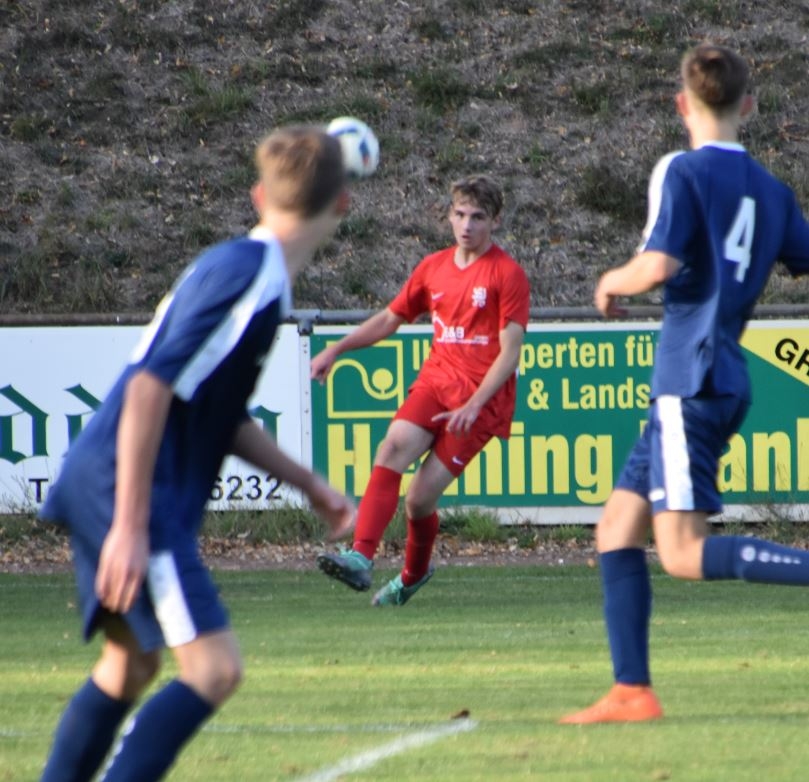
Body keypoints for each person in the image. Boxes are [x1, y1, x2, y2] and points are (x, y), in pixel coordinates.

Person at [37, 125, 356, 781]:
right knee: (214, 670)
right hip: (132, 490)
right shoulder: (248, 278)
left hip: (111, 478)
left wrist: (308, 484)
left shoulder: (245, 270)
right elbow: (149, 386)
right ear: (342, 204)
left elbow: (215, 410)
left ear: (258, 194)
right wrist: (130, 527)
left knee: (130, 665)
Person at [560, 43, 809, 725]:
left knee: (681, 553)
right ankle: (631, 691)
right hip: (718, 376)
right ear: (748, 105)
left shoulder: (683, 170)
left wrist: (611, 281)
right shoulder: (773, 191)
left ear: (680, 104)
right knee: (616, 528)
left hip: (689, 379)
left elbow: (658, 265)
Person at [313, 174, 530, 606]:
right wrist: (337, 348)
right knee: (392, 447)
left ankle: (412, 575)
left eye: (478, 217)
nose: (467, 225)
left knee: (418, 501)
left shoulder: (507, 274)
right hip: (436, 382)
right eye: (460, 214)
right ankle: (360, 555)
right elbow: (389, 319)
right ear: (449, 215)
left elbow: (510, 353)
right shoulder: (433, 268)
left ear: (496, 221)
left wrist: (475, 404)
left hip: (480, 401)